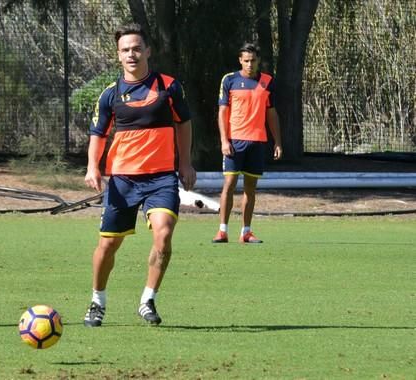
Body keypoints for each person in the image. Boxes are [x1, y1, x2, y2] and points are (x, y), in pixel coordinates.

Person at [83, 23, 196, 327]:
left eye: (136, 48)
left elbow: (183, 123)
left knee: (164, 232)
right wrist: (93, 167)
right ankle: (97, 301)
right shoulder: (110, 95)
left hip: (161, 178)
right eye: (125, 50)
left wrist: (185, 163)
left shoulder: (169, 87)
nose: (131, 54)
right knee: (108, 245)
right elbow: (98, 133)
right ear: (118, 56)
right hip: (123, 180)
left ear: (148, 51)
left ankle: (147, 299)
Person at [212, 43, 282, 244]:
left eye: (253, 60)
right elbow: (222, 112)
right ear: (240, 60)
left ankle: (246, 232)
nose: (250, 64)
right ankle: (222, 231)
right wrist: (224, 140)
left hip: (257, 141)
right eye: (246, 60)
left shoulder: (267, 82)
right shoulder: (230, 80)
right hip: (234, 141)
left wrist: (278, 141)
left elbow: (272, 114)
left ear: (258, 61)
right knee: (229, 184)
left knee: (250, 188)